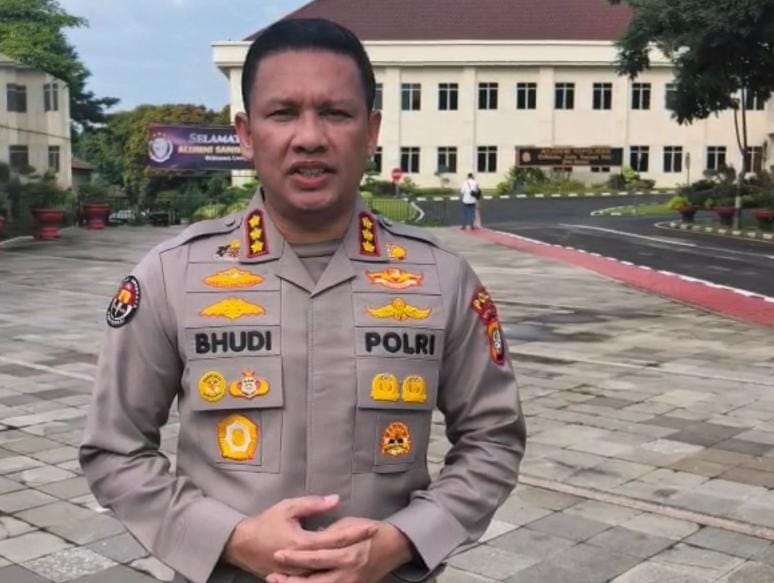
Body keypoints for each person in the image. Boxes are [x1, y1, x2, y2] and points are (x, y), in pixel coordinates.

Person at [79, 18, 525, 583]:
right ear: (246, 133)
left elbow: (493, 438)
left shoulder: (442, 278)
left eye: (335, 113)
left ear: (371, 131)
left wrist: (402, 542)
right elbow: (115, 449)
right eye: (283, 113)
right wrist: (232, 540)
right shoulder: (173, 276)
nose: (310, 137)